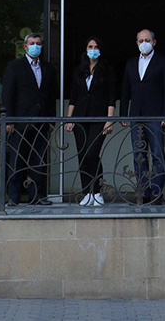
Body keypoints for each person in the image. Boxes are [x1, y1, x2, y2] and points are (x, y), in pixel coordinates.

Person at [1, 32, 57, 206]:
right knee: (17, 160)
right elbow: (8, 94)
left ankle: (37, 196)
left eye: (38, 43)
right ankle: (13, 197)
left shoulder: (48, 69)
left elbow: (50, 96)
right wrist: (9, 120)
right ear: (25, 47)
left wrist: (51, 120)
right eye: (32, 43)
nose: (35, 46)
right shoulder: (15, 67)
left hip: (41, 121)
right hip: (20, 122)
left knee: (39, 160)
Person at [120, 28, 165, 204]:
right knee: (139, 155)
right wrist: (123, 115)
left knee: (158, 154)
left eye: (147, 40)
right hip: (136, 116)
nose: (144, 44)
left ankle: (156, 193)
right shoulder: (131, 63)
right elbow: (125, 90)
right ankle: (143, 192)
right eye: (141, 41)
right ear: (136, 43)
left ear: (154, 42)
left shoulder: (164, 62)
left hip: (156, 116)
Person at [65, 36, 116, 206]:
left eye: (96, 47)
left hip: (99, 118)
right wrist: (68, 119)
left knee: (92, 153)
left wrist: (109, 120)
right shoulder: (79, 70)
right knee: (82, 155)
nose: (93, 50)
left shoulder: (107, 70)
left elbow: (111, 97)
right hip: (80, 118)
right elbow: (73, 97)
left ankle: (97, 191)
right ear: (85, 49)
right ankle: (86, 192)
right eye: (90, 47)